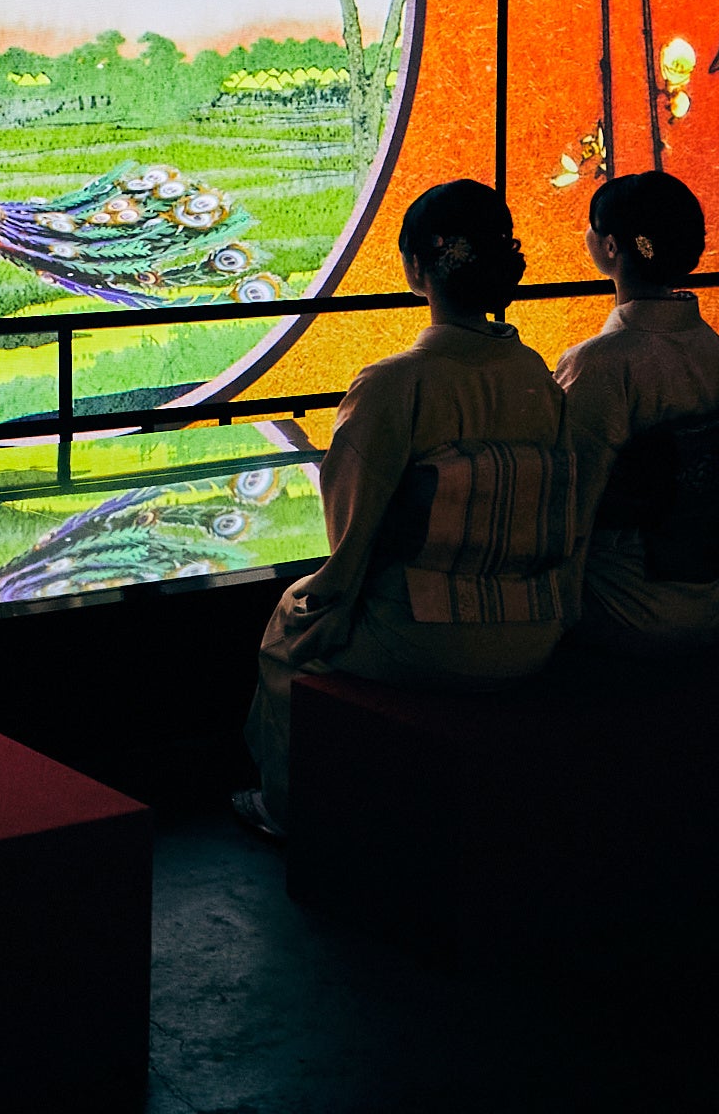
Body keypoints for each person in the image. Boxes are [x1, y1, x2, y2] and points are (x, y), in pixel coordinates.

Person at [234, 180, 576, 841]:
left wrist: (326, 596)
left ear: (418, 268)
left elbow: (350, 538)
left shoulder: (394, 384)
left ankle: (285, 806)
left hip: (429, 639)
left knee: (289, 633)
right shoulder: (538, 376)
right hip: (535, 629)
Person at [556, 171, 719, 659]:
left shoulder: (600, 363)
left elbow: (570, 505)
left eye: (593, 229)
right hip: (715, 599)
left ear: (610, 248)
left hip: (626, 604)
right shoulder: (710, 346)